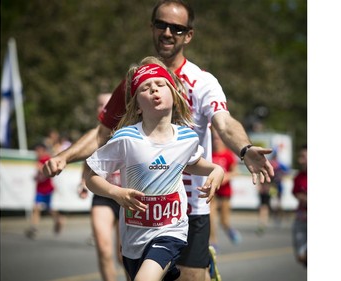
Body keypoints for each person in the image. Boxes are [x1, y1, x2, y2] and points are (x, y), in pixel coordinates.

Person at [43, 1, 274, 280]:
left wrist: (245, 149)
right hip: (141, 211)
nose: (167, 32)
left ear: (188, 35)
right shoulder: (135, 83)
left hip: (188, 209)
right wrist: (65, 156)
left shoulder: (201, 82)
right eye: (161, 25)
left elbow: (223, 122)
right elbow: (102, 132)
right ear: (151, 28)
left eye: (176, 28)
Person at [84, 57, 224, 281]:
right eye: (146, 88)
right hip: (133, 240)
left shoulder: (186, 138)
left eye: (160, 85)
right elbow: (91, 177)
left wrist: (216, 170)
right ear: (137, 106)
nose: (154, 91)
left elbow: (194, 163)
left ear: (174, 96)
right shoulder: (126, 139)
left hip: (171, 232)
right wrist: (116, 193)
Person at [78, 93, 129, 281]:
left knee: (123, 255)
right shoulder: (94, 136)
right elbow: (88, 162)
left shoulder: (129, 131)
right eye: (100, 105)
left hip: (126, 196)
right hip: (102, 195)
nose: (104, 108)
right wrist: (82, 182)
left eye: (108, 104)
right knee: (103, 247)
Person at [209, 127, 241, 251]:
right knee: (211, 216)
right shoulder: (209, 153)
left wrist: (226, 176)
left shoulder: (228, 155)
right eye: (214, 138)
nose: (216, 140)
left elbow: (235, 172)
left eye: (218, 138)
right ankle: (213, 241)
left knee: (224, 220)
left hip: (225, 191)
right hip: (213, 190)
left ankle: (229, 229)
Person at [25, 143, 65, 239]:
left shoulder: (46, 159)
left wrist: (40, 167)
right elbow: (40, 175)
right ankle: (34, 228)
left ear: (43, 150)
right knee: (36, 208)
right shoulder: (38, 160)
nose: (36, 153)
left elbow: (49, 172)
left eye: (38, 151)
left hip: (47, 189)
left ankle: (59, 219)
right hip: (39, 189)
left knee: (49, 209)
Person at [291, 144, 307, 268]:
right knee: (301, 257)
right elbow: (297, 194)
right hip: (302, 220)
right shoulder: (298, 177)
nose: (300, 160)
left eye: (303, 156)